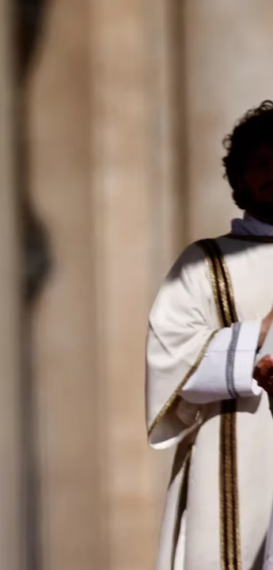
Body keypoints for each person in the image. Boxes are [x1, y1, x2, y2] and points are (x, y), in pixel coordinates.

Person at [146, 101, 273, 570]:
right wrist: (258, 335)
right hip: (234, 447)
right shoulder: (205, 263)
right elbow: (170, 360)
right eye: (261, 165)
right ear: (238, 180)